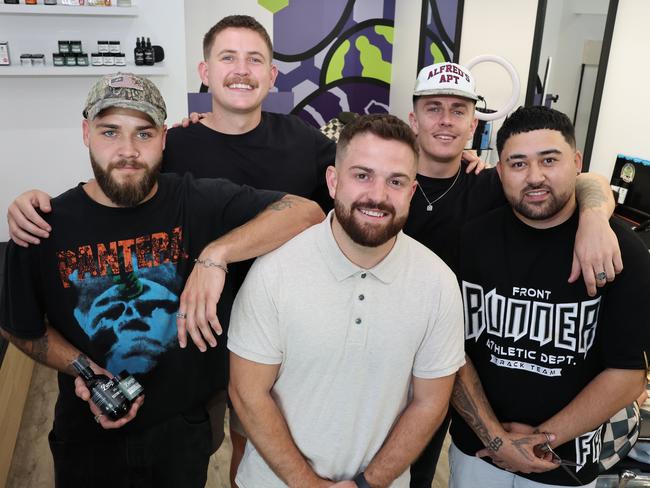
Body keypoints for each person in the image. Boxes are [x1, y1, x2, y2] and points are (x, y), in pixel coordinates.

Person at [0, 72, 323, 488]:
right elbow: (19, 325)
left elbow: (307, 212)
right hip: (87, 431)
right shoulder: (44, 226)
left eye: (144, 133)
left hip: (183, 428)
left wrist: (215, 256)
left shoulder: (195, 200)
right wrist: (85, 370)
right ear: (86, 133)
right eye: (110, 131)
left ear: (164, 138)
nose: (128, 151)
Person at [403, 61, 622, 488]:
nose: (446, 120)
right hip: (370, 358)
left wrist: (595, 217)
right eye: (433, 108)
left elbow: (581, 179)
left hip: (440, 373)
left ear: (473, 125)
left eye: (458, 110)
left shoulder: (492, 184)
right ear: (414, 118)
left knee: (415, 475)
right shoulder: (387, 177)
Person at [227, 113, 465, 487]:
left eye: (396, 181)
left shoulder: (438, 283)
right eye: (362, 175)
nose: (378, 195)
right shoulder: (275, 270)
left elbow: (430, 403)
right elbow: (247, 393)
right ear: (333, 181)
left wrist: (367, 483)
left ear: (412, 191)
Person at [449, 105, 650, 487]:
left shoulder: (620, 252)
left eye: (549, 160)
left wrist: (539, 442)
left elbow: (627, 376)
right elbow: (448, 352)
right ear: (500, 170)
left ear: (576, 163)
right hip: (476, 454)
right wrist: (497, 439)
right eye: (518, 163)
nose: (535, 177)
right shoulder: (471, 241)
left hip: (566, 462)